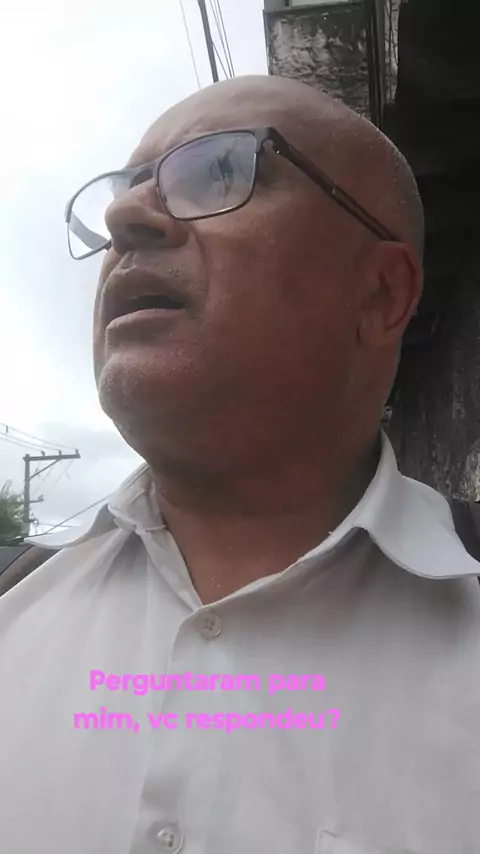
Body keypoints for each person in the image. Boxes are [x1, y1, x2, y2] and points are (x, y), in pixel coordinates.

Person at [1, 74, 479, 854]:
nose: (125, 217)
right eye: (126, 188)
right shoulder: (15, 609)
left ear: (381, 292)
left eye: (218, 170)